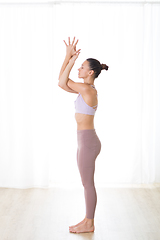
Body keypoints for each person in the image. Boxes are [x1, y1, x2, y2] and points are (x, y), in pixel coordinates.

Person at [58, 37, 109, 233]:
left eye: (81, 67)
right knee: (86, 182)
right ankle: (87, 220)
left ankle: (90, 222)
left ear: (90, 72)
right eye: (77, 66)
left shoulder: (87, 89)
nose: (78, 69)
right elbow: (61, 83)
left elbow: (63, 80)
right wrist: (67, 57)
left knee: (88, 183)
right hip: (85, 141)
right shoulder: (84, 89)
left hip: (88, 142)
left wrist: (70, 59)